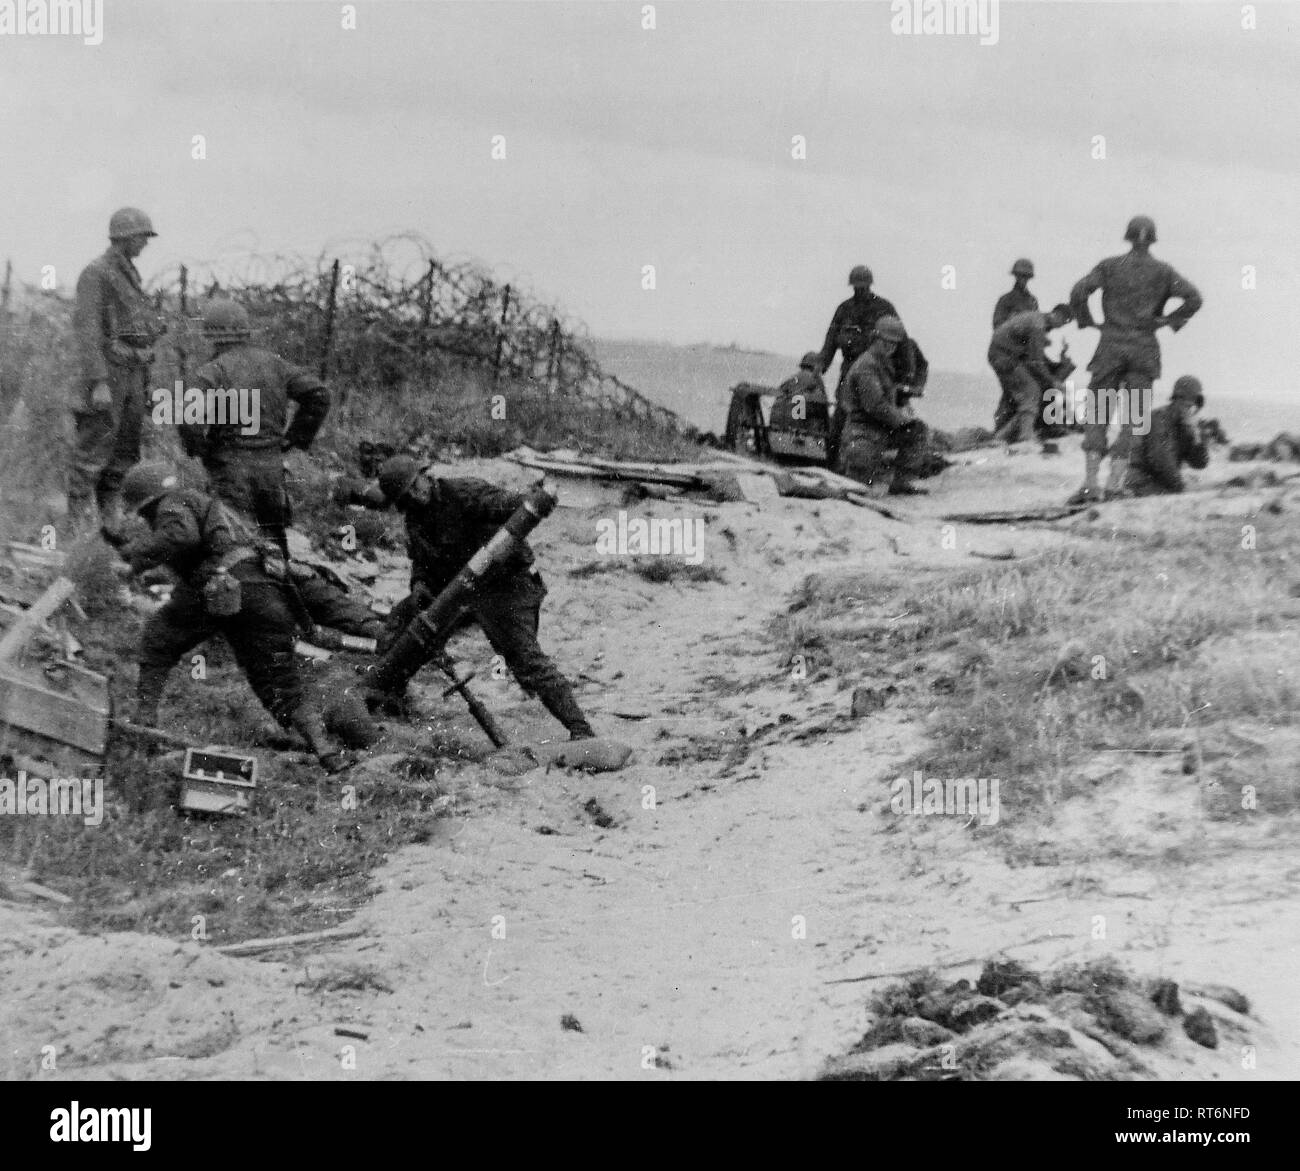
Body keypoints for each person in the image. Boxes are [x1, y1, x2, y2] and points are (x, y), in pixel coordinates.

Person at [101, 463, 349, 772]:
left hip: (217, 585)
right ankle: (327, 752)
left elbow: (181, 536)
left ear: (149, 500)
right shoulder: (200, 504)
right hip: (259, 590)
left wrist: (133, 558)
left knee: (157, 640)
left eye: (144, 512)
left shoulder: (172, 503)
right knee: (277, 680)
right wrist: (136, 559)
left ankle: (144, 722)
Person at [179, 299, 381, 642]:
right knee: (275, 546)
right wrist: (293, 439)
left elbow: (188, 419)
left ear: (212, 335)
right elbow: (319, 394)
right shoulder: (274, 363)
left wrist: (202, 449)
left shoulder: (211, 373)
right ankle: (297, 620)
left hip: (231, 471)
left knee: (234, 549)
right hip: (271, 471)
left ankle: (250, 627)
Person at [372, 456, 596, 740]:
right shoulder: (415, 519)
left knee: (525, 659)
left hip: (507, 585)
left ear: (425, 476)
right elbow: (421, 562)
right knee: (402, 627)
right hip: (460, 590)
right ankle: (385, 698)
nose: (417, 494)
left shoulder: (463, 493)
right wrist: (418, 585)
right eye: (408, 495)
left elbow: (505, 505)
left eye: (416, 485)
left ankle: (580, 730)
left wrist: (533, 499)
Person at [1068, 216, 1202, 502]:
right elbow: (1194, 298)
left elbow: (1079, 291)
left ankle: (1091, 484)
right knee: (1133, 419)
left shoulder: (1109, 266)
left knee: (1098, 414)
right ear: (1152, 239)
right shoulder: (1164, 272)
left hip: (1110, 346)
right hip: (1144, 349)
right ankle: (1114, 486)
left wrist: (1088, 322)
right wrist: (1167, 321)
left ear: (1128, 237)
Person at [69, 207, 167, 528]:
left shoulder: (130, 274)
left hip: (132, 372)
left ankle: (110, 524)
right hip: (109, 373)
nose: (145, 243)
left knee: (124, 451)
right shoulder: (96, 273)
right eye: (141, 236)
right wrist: (97, 381)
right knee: (94, 450)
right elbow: (87, 329)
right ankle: (79, 528)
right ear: (124, 237)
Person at [820, 266, 906, 468]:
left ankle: (878, 465)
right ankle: (831, 466)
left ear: (869, 285)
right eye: (857, 287)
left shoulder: (884, 308)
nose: (860, 291)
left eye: (863, 287)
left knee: (882, 416)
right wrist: (818, 369)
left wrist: (904, 376)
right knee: (842, 416)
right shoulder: (844, 309)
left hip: (878, 370)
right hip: (849, 370)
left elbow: (902, 342)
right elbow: (830, 342)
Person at [836, 316, 929, 495]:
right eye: (886, 342)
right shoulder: (866, 365)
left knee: (917, 430)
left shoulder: (881, 362)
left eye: (894, 344)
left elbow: (886, 392)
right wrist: (901, 419)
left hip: (880, 430)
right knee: (857, 486)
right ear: (875, 339)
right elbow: (875, 405)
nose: (890, 347)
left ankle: (903, 482)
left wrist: (902, 392)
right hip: (862, 433)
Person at [987, 303, 1074, 447]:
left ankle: (1002, 436)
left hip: (1004, 354)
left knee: (1027, 395)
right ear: (1056, 315)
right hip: (1003, 356)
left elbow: (1034, 357)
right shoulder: (1038, 325)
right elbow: (1036, 361)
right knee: (1031, 391)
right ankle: (1025, 436)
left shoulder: (1036, 320)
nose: (1061, 326)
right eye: (1063, 322)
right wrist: (1053, 382)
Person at [1123, 376, 1209, 496]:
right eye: (1186, 405)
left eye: (1191, 407)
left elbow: (1200, 463)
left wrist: (1196, 437)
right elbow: (1161, 459)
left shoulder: (1185, 425)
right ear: (1176, 401)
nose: (1189, 410)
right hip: (1142, 484)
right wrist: (1180, 487)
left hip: (1162, 484)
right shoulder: (1159, 419)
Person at [992, 259, 1039, 329]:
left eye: (1026, 276)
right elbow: (997, 324)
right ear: (1016, 276)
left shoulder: (1032, 301)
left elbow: (1038, 324)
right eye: (1021, 276)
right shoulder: (1005, 299)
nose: (1023, 279)